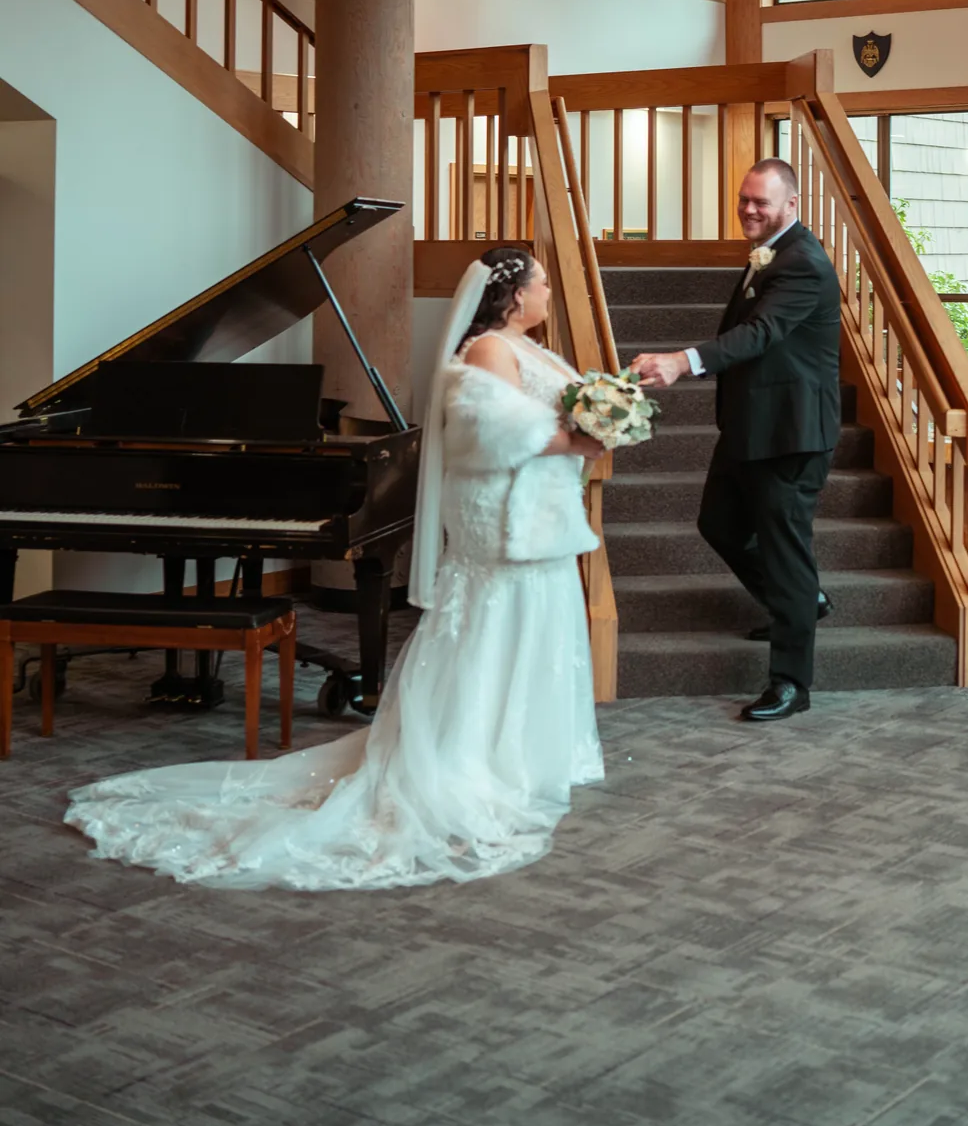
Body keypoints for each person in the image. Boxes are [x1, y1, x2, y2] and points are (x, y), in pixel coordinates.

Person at [65, 249, 607, 888]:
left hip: (533, 522)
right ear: (514, 295)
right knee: (493, 631)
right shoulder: (490, 349)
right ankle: (479, 756)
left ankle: (525, 750)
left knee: (530, 626)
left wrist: (598, 418)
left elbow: (545, 415)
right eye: (543, 284)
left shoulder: (529, 347)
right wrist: (579, 437)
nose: (549, 293)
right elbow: (494, 435)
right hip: (501, 525)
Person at [632, 158, 841, 723]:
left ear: (791, 206)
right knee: (718, 524)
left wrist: (683, 361)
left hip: (791, 434)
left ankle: (792, 682)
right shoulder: (768, 251)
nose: (750, 209)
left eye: (763, 202)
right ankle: (799, 603)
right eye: (745, 198)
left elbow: (761, 332)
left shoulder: (804, 262)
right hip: (750, 425)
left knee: (786, 552)